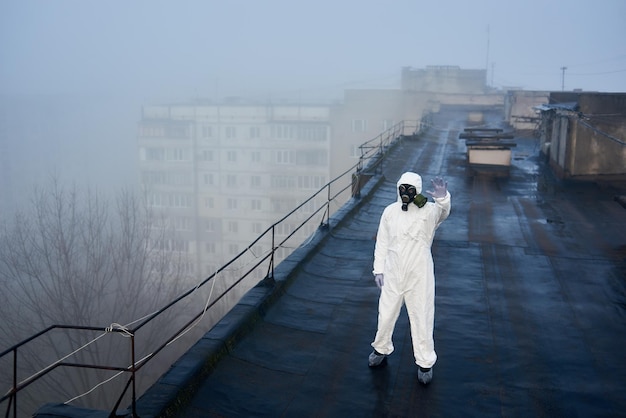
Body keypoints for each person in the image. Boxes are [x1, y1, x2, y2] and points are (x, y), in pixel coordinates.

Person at [368, 172, 451, 385]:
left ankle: (425, 362)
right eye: (403, 189)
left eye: (410, 189)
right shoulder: (390, 212)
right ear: (398, 189)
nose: (406, 193)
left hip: (419, 273)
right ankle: (381, 348)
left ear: (418, 191)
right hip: (393, 272)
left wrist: (442, 198)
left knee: (421, 316)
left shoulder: (429, 211)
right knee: (386, 314)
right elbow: (382, 242)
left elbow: (443, 213)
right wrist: (379, 270)